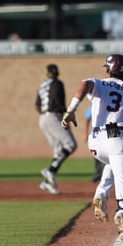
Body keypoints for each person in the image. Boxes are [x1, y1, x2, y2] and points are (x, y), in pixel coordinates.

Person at [61, 54, 123, 242]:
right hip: (117, 135)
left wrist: (71, 110)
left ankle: (101, 193)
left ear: (109, 69)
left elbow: (84, 84)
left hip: (96, 139)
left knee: (113, 164)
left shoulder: (101, 83)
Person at [35, 64, 77, 194]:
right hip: (54, 115)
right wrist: (65, 116)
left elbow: (37, 105)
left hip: (43, 118)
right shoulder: (57, 83)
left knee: (58, 151)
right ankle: (50, 171)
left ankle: (48, 182)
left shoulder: (42, 85)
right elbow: (57, 99)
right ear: (57, 73)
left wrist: (45, 116)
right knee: (70, 144)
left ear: (47, 73)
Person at [84, 105, 104, 183]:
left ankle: (104, 175)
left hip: (109, 133)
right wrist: (85, 133)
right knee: (97, 154)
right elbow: (87, 118)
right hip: (97, 134)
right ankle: (98, 174)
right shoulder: (95, 105)